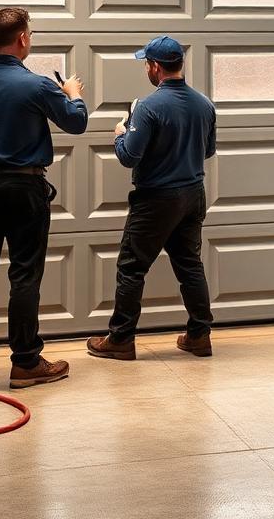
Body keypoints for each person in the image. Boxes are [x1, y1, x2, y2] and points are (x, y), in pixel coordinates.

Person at [0, 6, 88, 387]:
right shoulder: (38, 85)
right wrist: (73, 95)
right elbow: (76, 124)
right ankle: (26, 362)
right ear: (23, 38)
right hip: (24, 187)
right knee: (24, 273)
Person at [87, 36, 216, 361]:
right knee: (190, 265)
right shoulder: (204, 104)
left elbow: (129, 157)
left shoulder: (147, 107)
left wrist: (120, 133)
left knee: (131, 267)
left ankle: (121, 339)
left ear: (155, 67)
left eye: (147, 63)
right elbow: (208, 150)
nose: (147, 67)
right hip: (193, 194)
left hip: (156, 199)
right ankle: (199, 336)